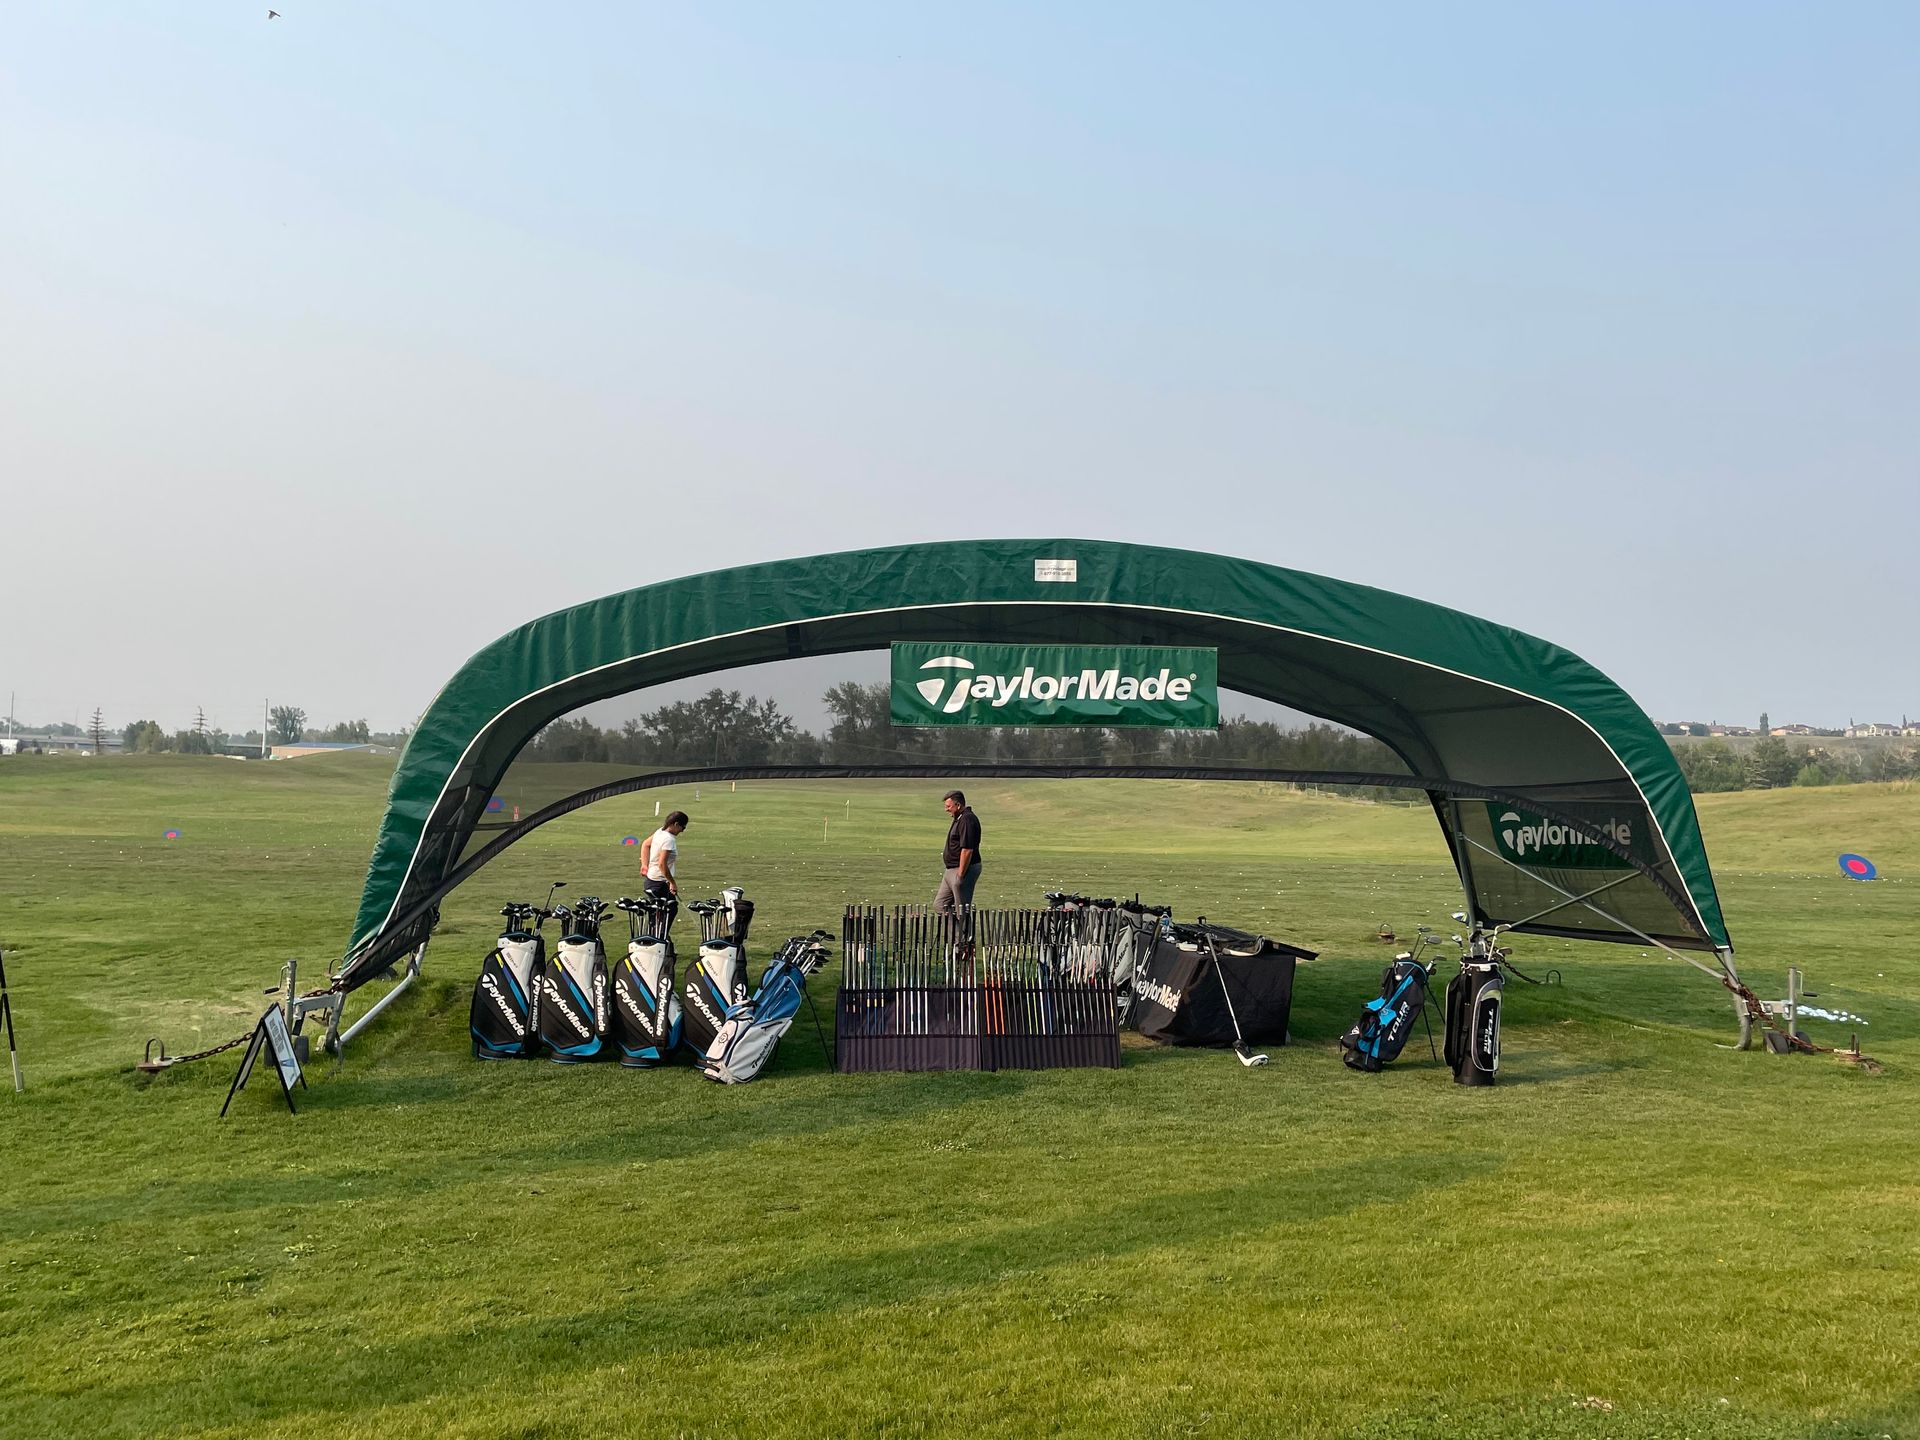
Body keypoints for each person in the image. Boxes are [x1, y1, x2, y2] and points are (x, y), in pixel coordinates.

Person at [638, 811, 688, 931]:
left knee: (660, 915)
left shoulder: (660, 832)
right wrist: (672, 882)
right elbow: (662, 864)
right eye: (683, 827)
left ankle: (660, 940)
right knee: (664, 913)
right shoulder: (669, 840)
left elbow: (645, 844)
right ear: (676, 824)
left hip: (652, 880)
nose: (682, 830)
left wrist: (644, 865)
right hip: (660, 884)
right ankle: (658, 940)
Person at [934, 790, 982, 915]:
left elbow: (967, 850)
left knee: (961, 909)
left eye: (948, 806)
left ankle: (964, 934)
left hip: (963, 869)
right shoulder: (959, 818)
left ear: (958, 805)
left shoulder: (967, 819)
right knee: (940, 905)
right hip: (951, 869)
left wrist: (960, 875)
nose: (946, 809)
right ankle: (956, 933)